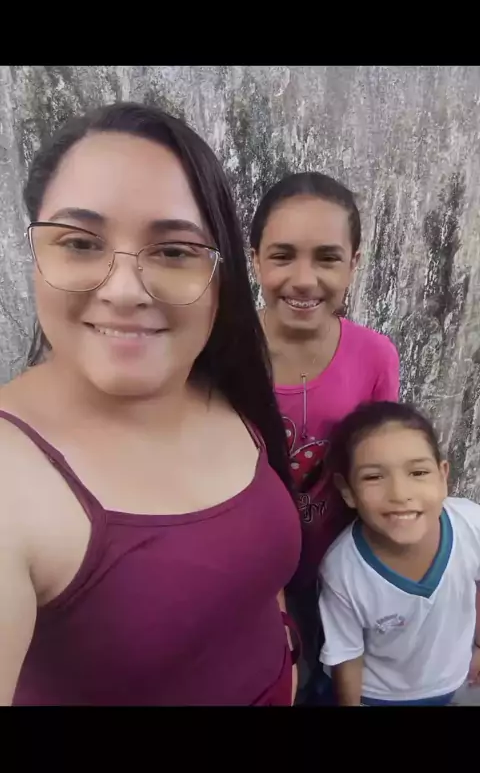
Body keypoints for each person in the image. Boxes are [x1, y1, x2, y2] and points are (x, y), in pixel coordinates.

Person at [0, 102, 302, 706]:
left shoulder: (216, 382)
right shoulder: (13, 481)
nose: (123, 290)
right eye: (80, 243)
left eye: (173, 251)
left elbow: (258, 577)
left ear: (218, 273)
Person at [250, 172, 400, 697]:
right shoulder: (220, 352)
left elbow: (380, 463)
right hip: (244, 574)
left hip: (334, 572)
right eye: (282, 255)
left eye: (328, 258)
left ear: (353, 264)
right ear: (255, 260)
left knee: (324, 683)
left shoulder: (374, 356)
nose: (304, 279)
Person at [319, 401, 480, 706]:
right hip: (379, 696)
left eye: (418, 472)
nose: (400, 494)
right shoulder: (342, 570)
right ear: (347, 490)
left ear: (442, 476)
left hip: (458, 680)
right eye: (373, 477)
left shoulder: (472, 524)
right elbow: (347, 656)